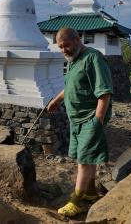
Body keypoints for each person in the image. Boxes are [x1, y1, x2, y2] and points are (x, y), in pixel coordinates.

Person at [47, 28, 113, 217]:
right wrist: (57, 100)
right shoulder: (73, 61)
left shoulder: (93, 58)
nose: (63, 50)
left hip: (90, 118)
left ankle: (76, 202)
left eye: (66, 45)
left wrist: (97, 121)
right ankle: (90, 193)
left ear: (77, 40)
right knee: (86, 157)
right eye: (60, 47)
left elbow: (104, 92)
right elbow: (70, 86)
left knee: (83, 160)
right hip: (76, 119)